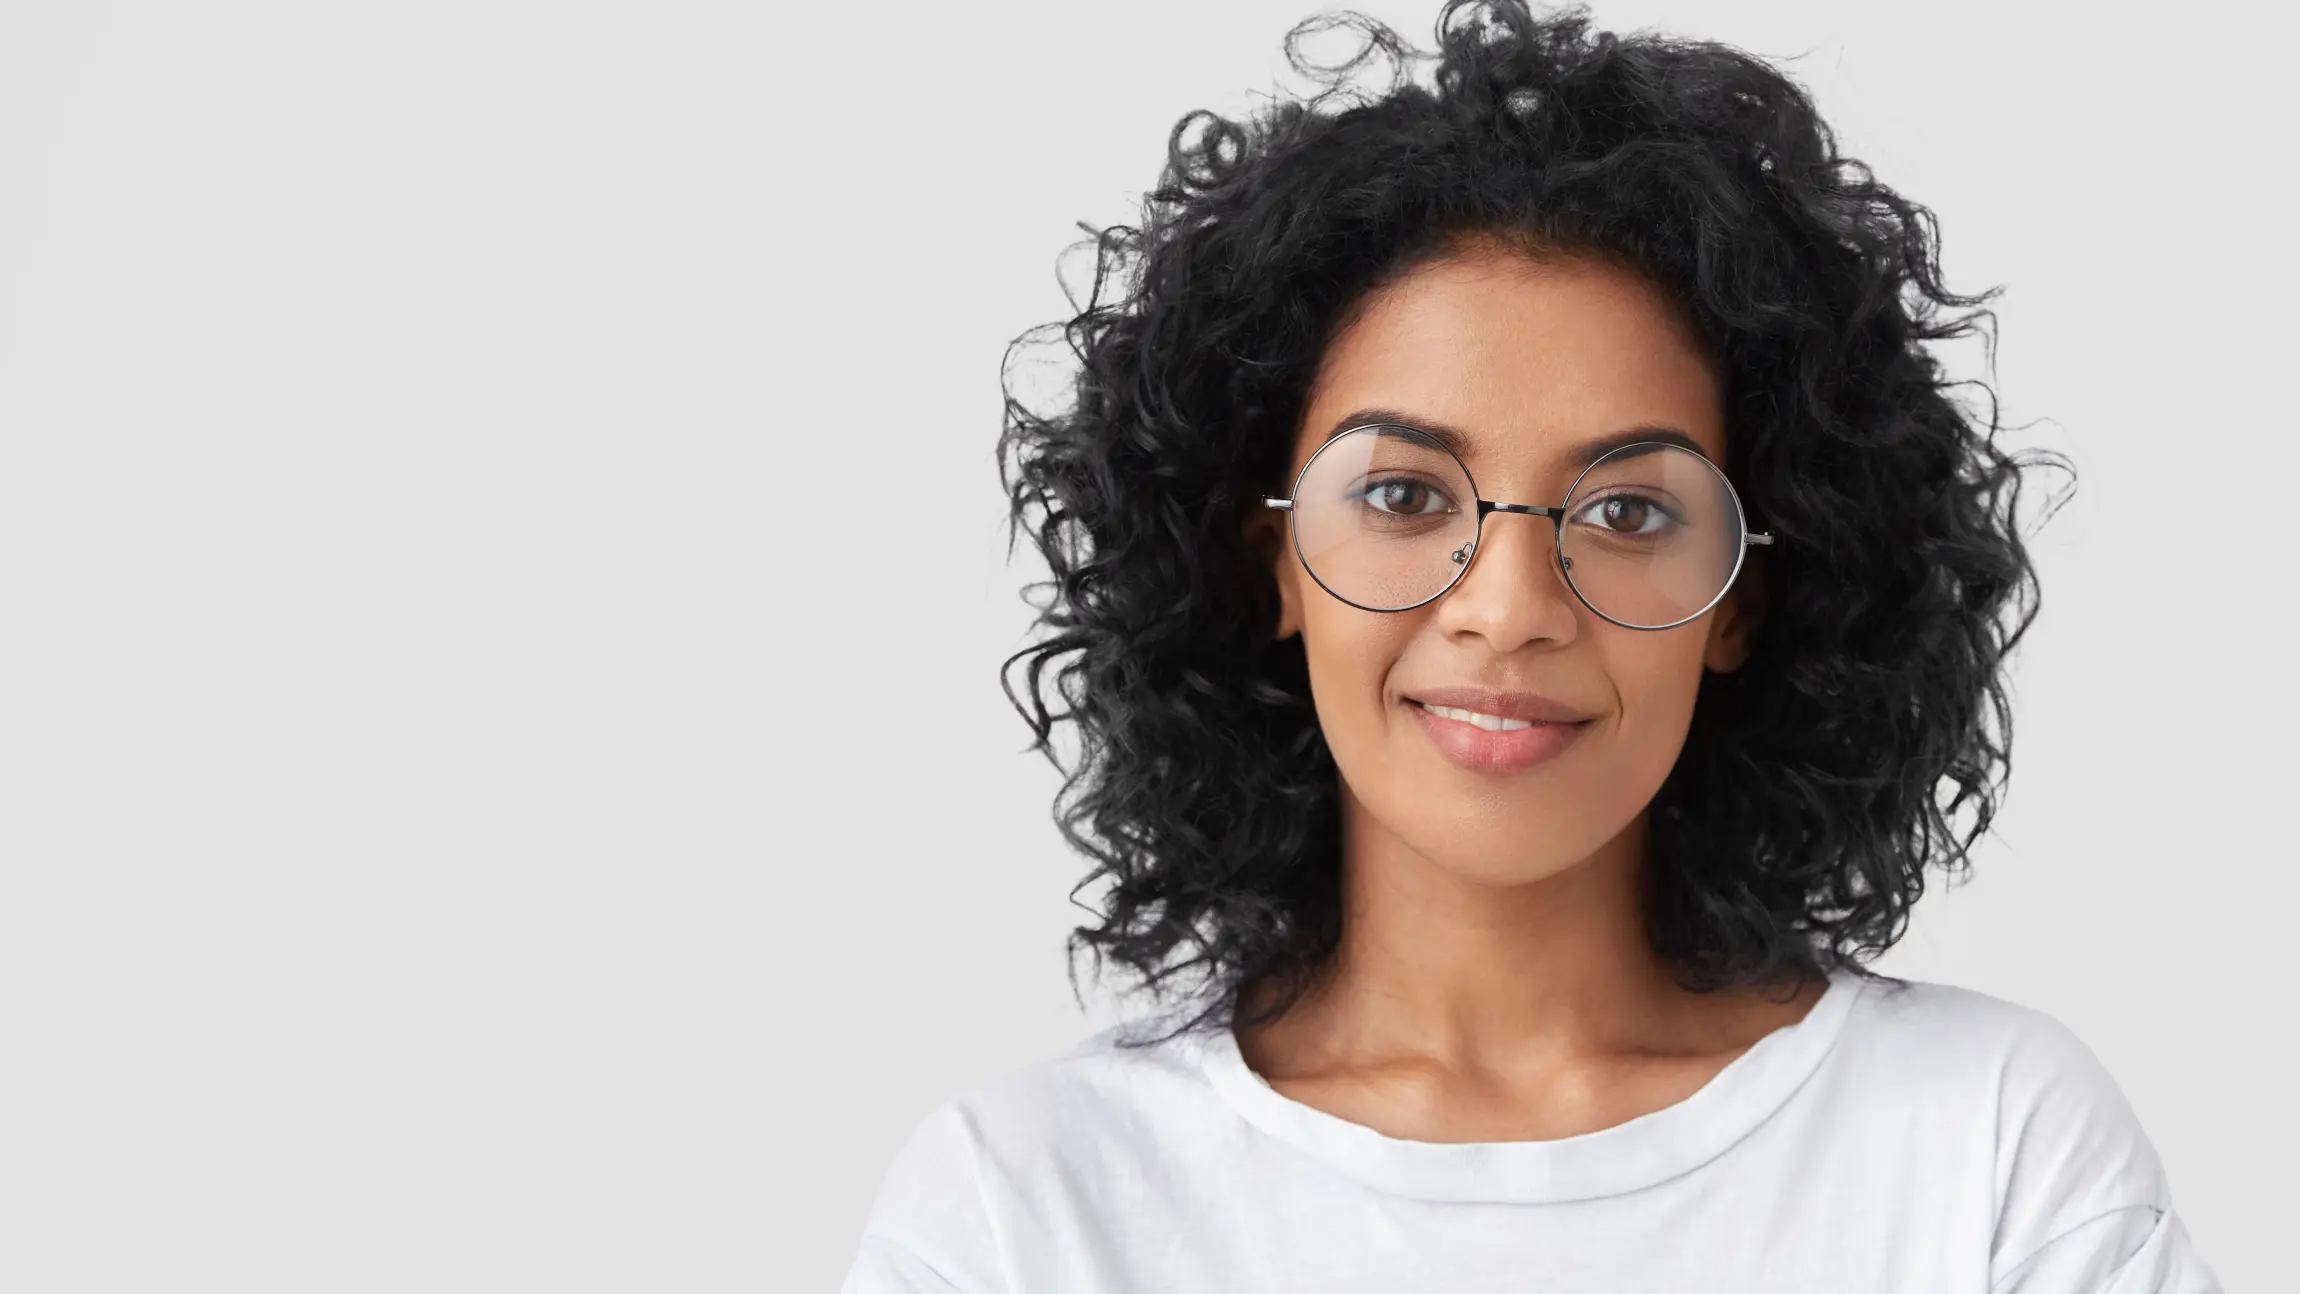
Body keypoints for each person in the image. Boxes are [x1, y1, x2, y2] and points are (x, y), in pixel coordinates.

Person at [839, 1, 2222, 1289]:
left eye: (1626, 508)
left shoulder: (1991, 1151)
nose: (1508, 605)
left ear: (1742, 595)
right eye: (1402, 495)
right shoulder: (1025, 1209)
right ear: (1272, 563)